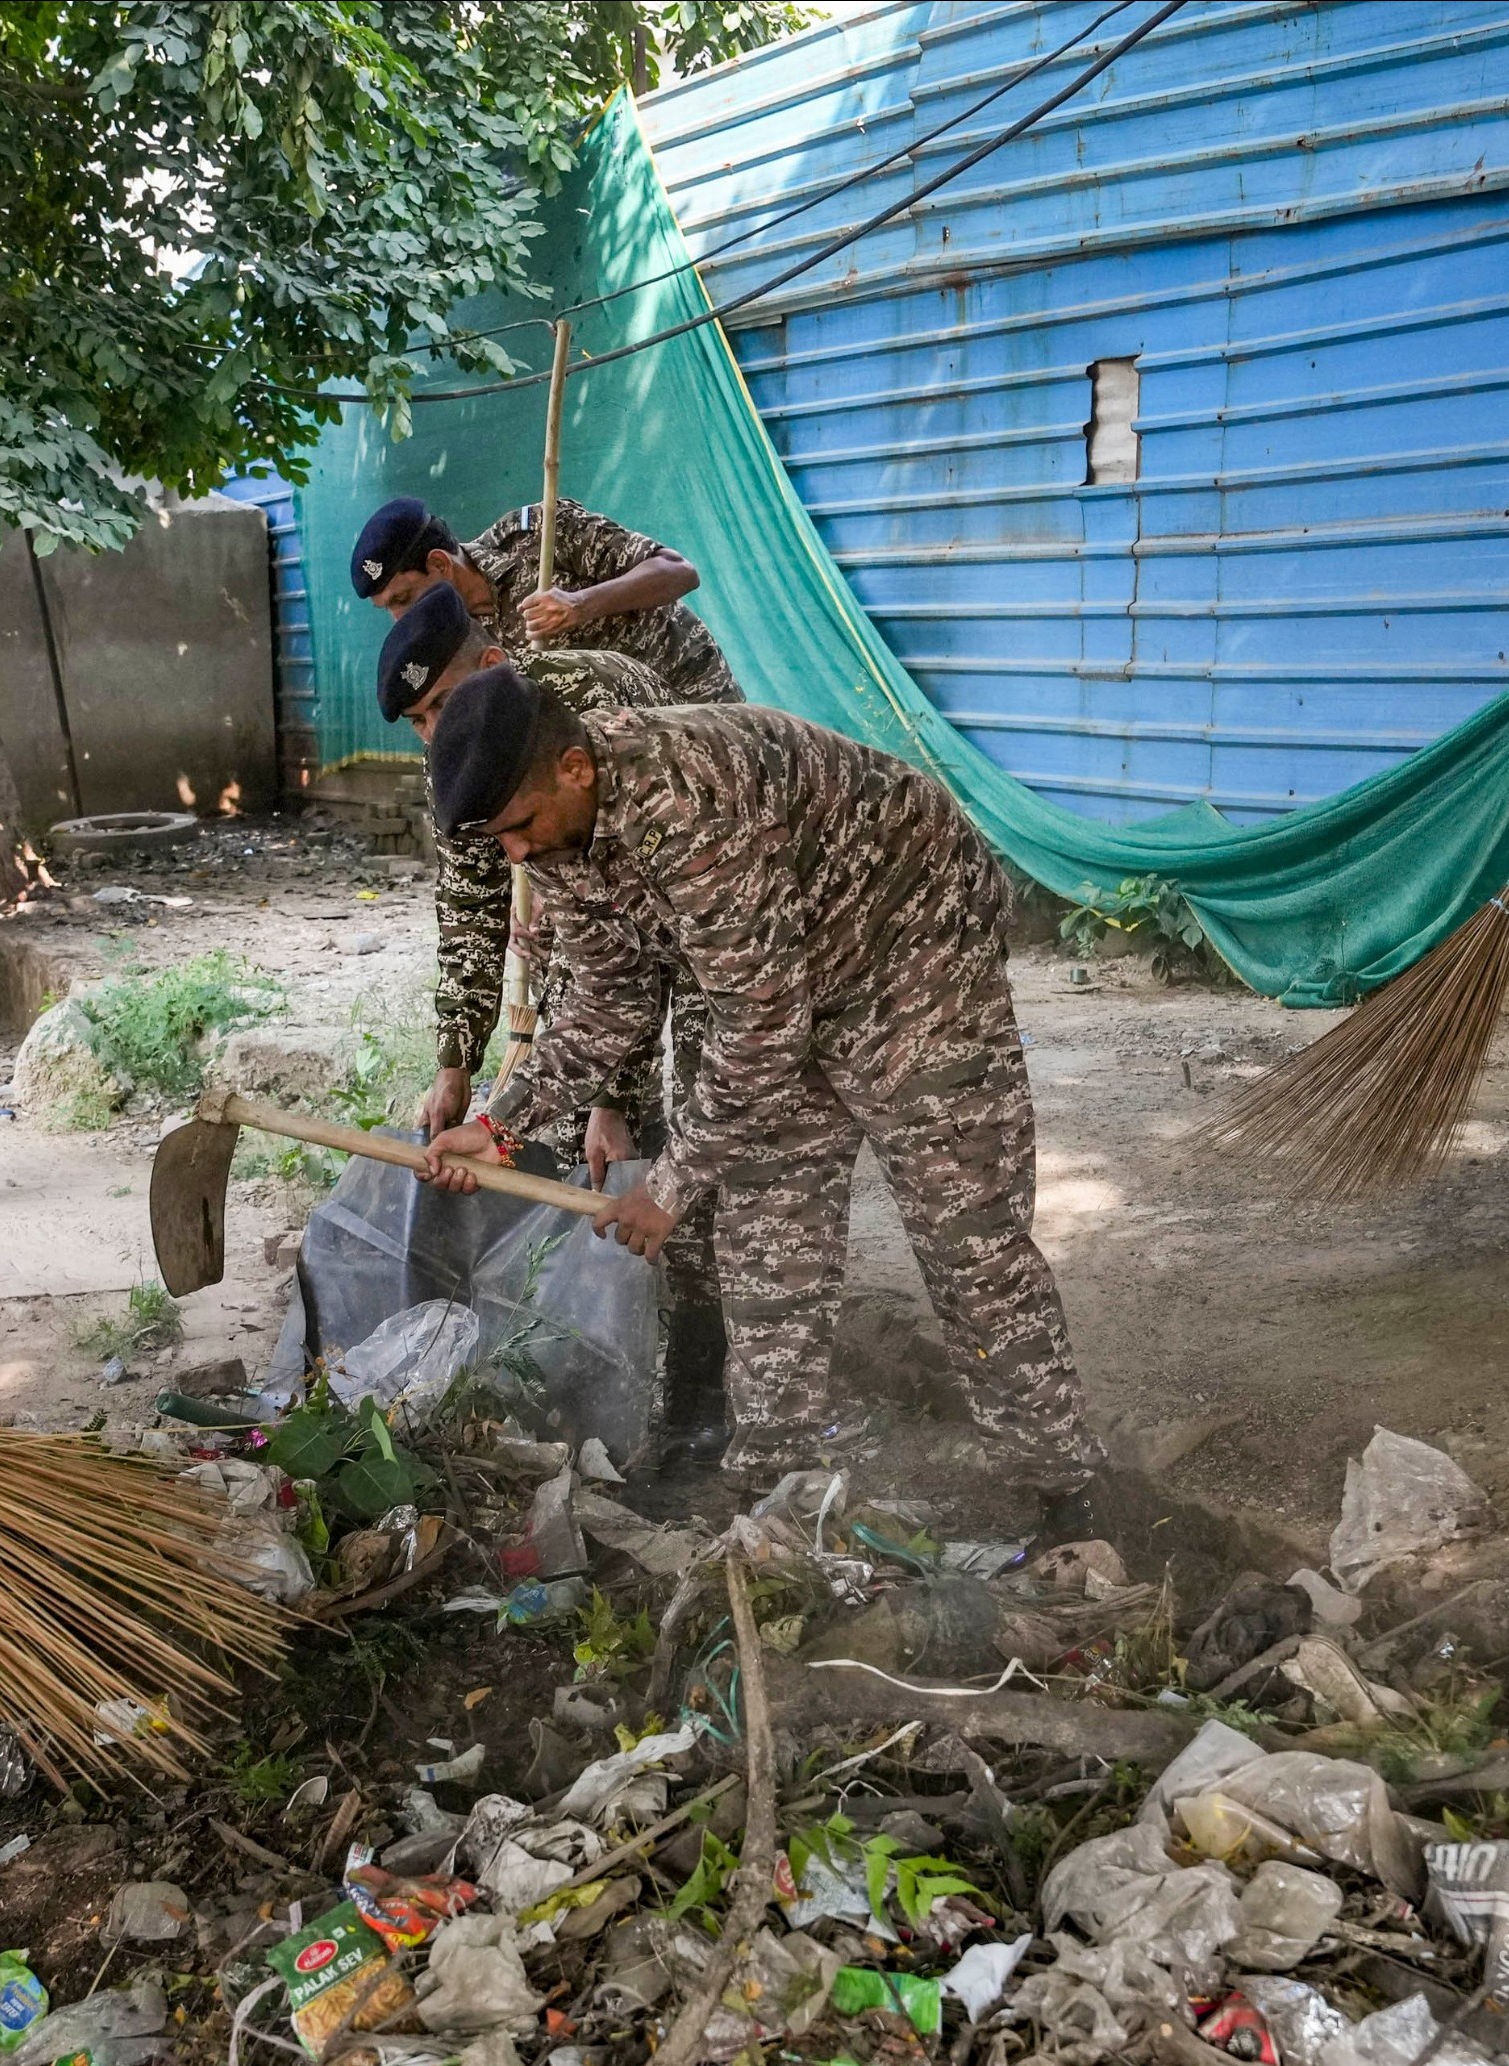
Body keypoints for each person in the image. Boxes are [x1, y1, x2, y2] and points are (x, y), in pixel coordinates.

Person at [414, 665, 1090, 1472]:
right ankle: (779, 1490)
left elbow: (762, 1026)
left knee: (964, 1233)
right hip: (776, 973)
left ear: (576, 767)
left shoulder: (685, 802)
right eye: (499, 839)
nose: (518, 851)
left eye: (519, 825)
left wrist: (667, 1186)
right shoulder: (560, 831)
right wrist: (500, 1123)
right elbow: (607, 993)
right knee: (768, 1239)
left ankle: (1062, 1487)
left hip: (908, 948)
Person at [377, 597, 729, 1452]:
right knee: (602, 1147)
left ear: (494, 659)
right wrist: (459, 1062)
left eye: (441, 704)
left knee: (691, 1139)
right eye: (418, 721)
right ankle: (628, 1361)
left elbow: (631, 951)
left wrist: (616, 1092)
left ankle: (702, 1374)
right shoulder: (462, 761)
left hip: (710, 907)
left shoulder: (588, 704)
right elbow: (471, 908)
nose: (434, 731)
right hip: (610, 957)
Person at [349, 492, 741, 707]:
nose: (401, 619)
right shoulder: (450, 639)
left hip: (697, 697)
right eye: (389, 608)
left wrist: (582, 604)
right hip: (626, 753)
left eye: (403, 598)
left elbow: (678, 571)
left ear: (439, 563)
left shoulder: (536, 535)